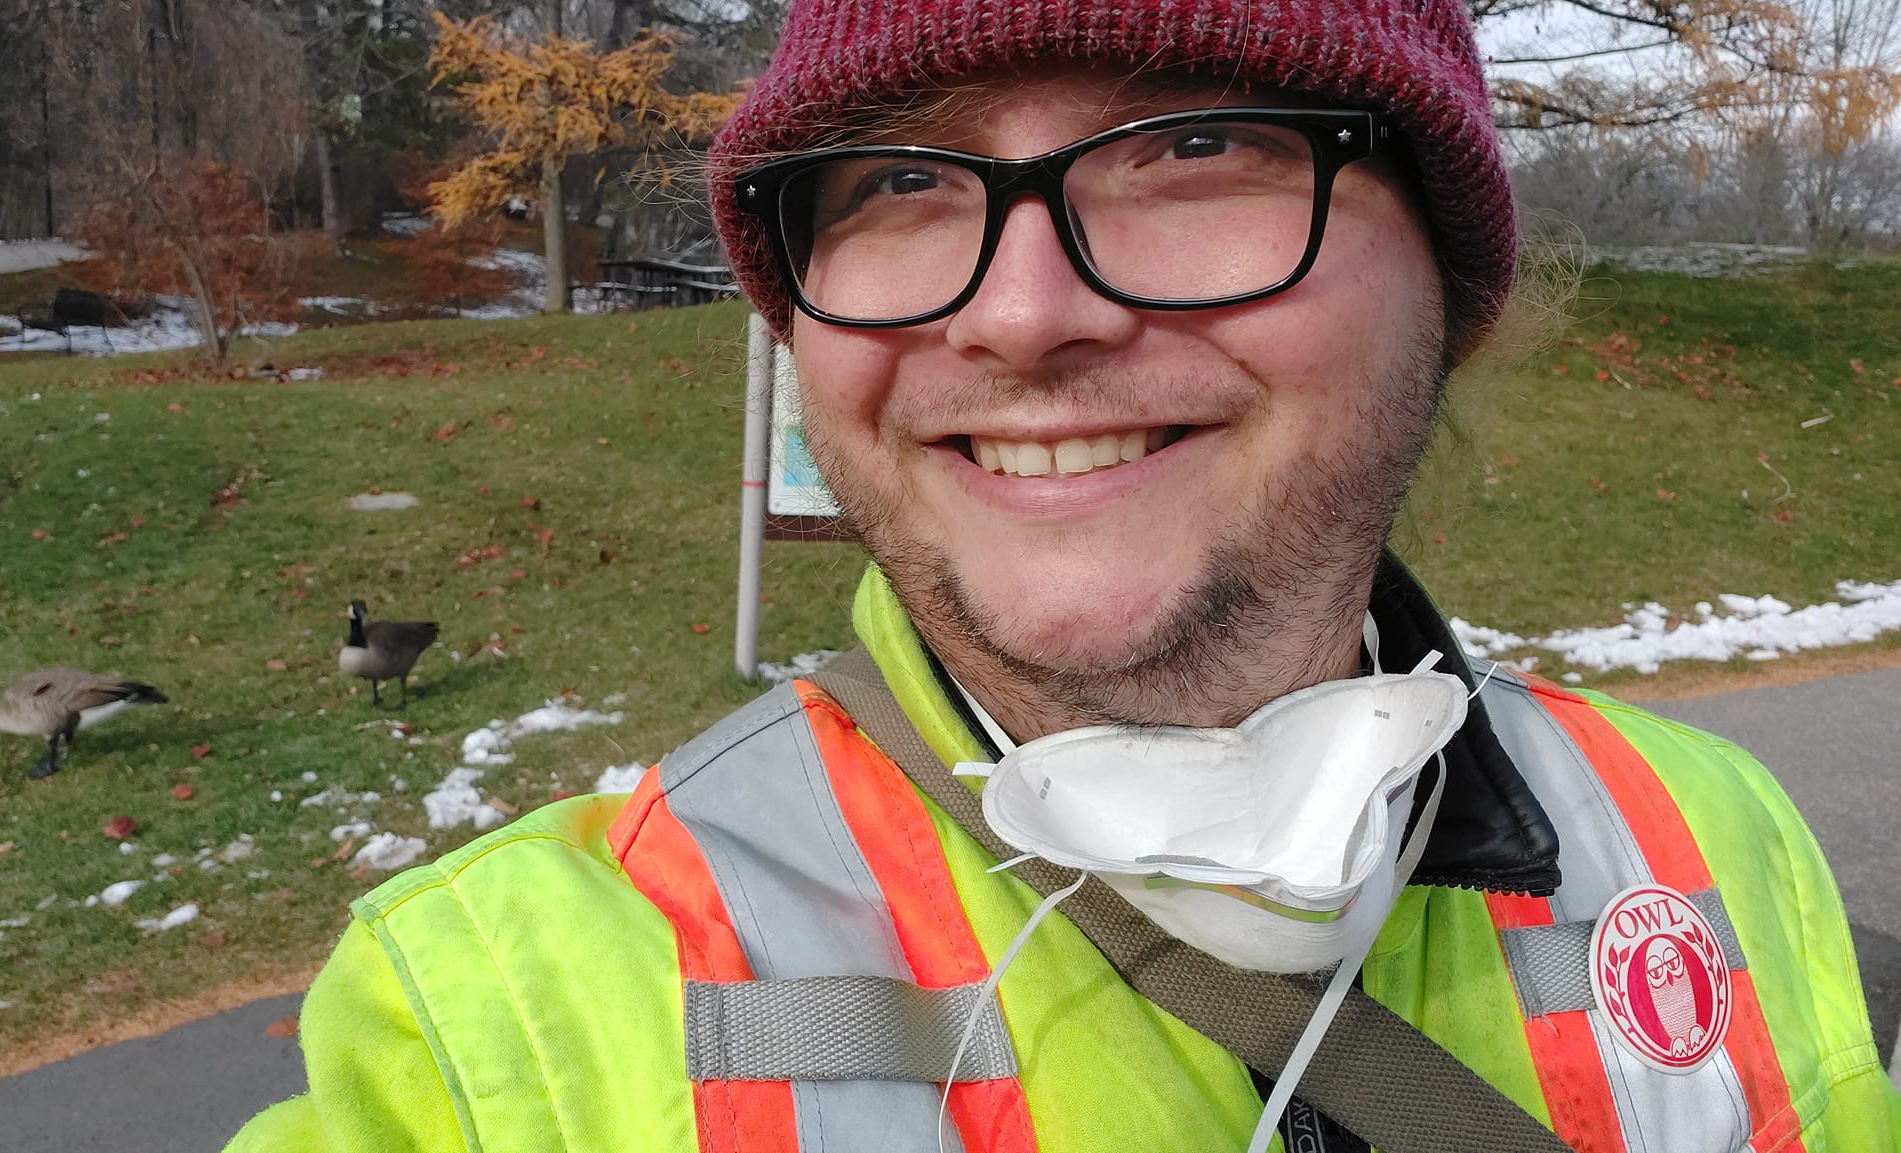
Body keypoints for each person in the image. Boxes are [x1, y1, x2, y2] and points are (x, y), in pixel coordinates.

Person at [225, 1, 1901, 1149]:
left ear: (1443, 281)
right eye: (893, 178)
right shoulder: (497, 1030)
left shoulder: (1713, 845)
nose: (1022, 315)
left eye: (1193, 149)